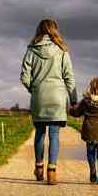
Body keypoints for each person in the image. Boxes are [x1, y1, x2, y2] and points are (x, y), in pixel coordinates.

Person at [20, 19, 77, 185]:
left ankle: (39, 167)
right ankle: (52, 171)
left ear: (39, 30)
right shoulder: (63, 51)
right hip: (58, 98)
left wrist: (34, 89)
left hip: (39, 97)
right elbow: (69, 77)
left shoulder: (31, 50)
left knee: (39, 133)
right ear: (54, 30)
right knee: (54, 135)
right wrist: (73, 99)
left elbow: (24, 76)